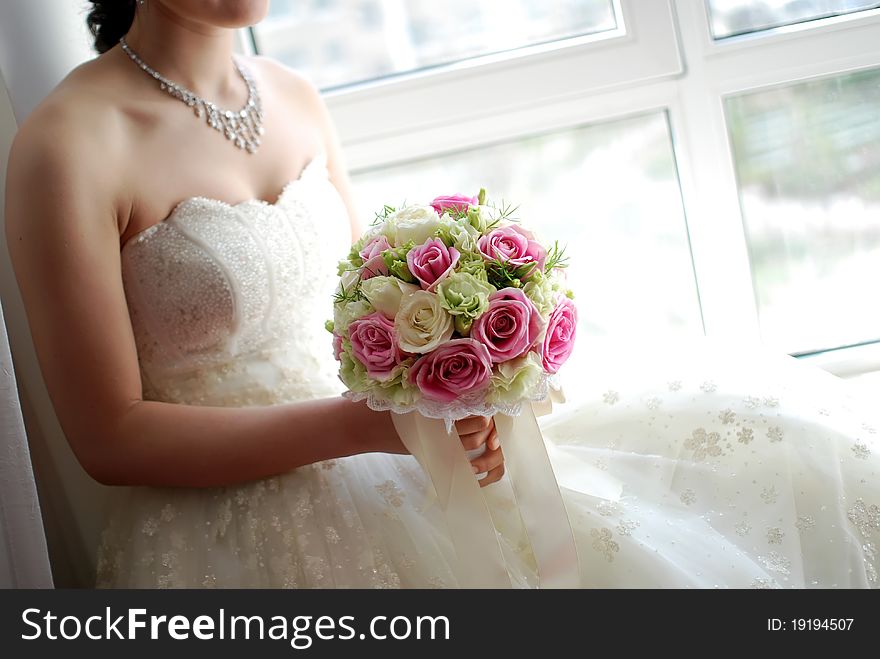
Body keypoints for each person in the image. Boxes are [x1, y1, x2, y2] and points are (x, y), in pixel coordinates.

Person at [5, 0, 877, 588]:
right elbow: (109, 436)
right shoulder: (67, 144)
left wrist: (460, 399)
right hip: (225, 523)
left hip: (385, 442)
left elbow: (352, 317)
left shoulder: (298, 98)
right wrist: (367, 427)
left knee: (773, 449)